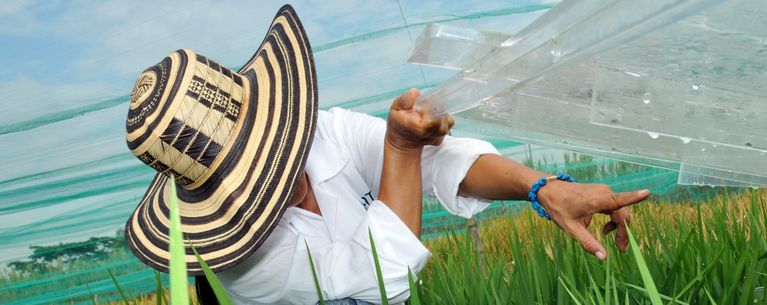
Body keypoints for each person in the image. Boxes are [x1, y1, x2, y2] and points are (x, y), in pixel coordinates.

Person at [122, 5, 648, 305]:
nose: (282, 172)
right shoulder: (241, 266)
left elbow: (438, 162)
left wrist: (544, 188)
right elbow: (381, 278)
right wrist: (400, 145)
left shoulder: (328, 133)